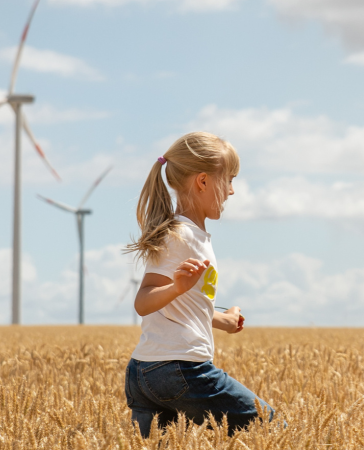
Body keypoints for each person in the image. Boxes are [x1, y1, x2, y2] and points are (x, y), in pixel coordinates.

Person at [123, 131, 275, 437]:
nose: (232, 191)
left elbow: (189, 304)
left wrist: (224, 321)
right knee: (270, 426)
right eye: (228, 180)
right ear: (203, 182)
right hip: (180, 369)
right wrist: (176, 287)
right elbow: (144, 300)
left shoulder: (188, 235)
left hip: (145, 372)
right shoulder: (182, 235)